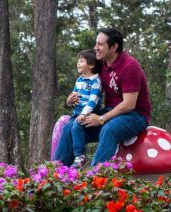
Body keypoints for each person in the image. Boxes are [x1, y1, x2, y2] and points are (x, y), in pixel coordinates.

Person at [54, 27, 151, 167]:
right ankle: (56, 174)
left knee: (108, 129)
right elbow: (88, 82)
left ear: (114, 47)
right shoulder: (102, 64)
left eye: (100, 44)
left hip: (135, 115)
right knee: (70, 127)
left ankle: (95, 179)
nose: (95, 48)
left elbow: (129, 104)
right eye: (96, 43)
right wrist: (73, 99)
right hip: (110, 111)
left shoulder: (130, 66)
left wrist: (101, 119)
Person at [64, 49, 102, 167]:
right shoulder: (79, 80)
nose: (78, 63)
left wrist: (84, 114)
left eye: (81, 61)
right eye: (78, 61)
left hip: (90, 112)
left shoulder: (96, 81)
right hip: (77, 111)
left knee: (76, 126)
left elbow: (92, 102)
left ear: (91, 65)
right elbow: (74, 96)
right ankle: (63, 163)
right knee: (67, 129)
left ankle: (80, 155)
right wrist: (69, 101)